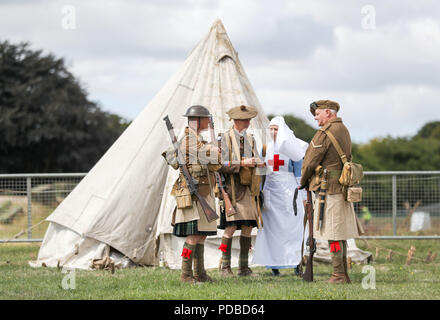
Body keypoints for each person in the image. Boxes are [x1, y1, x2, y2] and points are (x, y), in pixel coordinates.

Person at [300, 100, 364, 284]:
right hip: (342, 188)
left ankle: (339, 275)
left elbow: (310, 161)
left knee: (333, 233)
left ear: (328, 112)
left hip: (330, 189)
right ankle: (342, 274)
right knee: (339, 233)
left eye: (318, 113)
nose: (315, 117)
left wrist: (303, 181)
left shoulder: (324, 133)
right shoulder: (343, 129)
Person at [162, 105, 221, 283]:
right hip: (193, 194)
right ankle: (186, 274)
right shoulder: (189, 141)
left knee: (201, 235)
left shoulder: (198, 140)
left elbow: (215, 162)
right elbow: (214, 158)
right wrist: (215, 151)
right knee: (193, 236)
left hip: (203, 192)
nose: (208, 121)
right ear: (198, 120)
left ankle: (200, 273)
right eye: (206, 118)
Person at [252, 116, 308, 276]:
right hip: (271, 191)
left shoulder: (292, 147)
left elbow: (299, 173)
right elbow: (262, 172)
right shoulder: (266, 148)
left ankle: (295, 262)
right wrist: (259, 191)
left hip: (290, 192)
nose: (273, 132)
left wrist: (303, 194)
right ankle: (273, 263)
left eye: (276, 129)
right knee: (271, 229)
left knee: (292, 228)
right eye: (271, 129)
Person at [217, 105, 265, 277]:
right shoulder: (223, 139)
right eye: (246, 119)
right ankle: (225, 267)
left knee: (248, 227)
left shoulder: (251, 139)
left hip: (249, 189)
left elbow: (257, 158)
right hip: (232, 190)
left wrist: (259, 163)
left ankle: (243, 268)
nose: (249, 122)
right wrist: (242, 163)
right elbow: (220, 165)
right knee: (230, 228)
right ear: (236, 121)